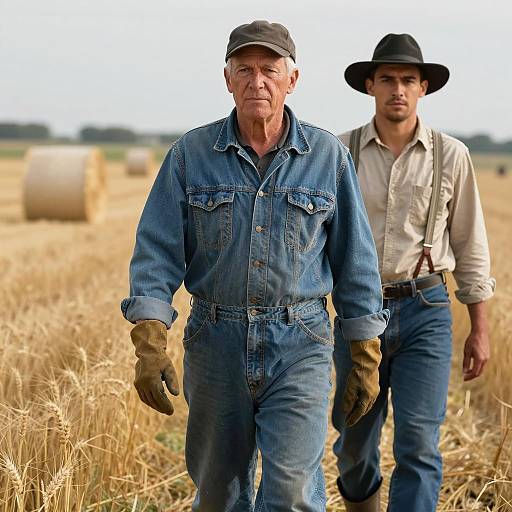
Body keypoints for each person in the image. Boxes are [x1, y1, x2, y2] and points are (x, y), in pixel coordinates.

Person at [121, 19, 388, 512]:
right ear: (227, 79)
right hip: (214, 339)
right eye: (244, 69)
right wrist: (150, 340)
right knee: (219, 494)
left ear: (293, 78)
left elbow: (356, 262)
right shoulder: (190, 155)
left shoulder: (327, 157)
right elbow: (156, 253)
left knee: (290, 493)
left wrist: (365, 352)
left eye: (270, 69)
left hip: (300, 342)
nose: (257, 81)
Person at [333, 33, 496, 512]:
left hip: (427, 310)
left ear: (423, 87)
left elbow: (471, 244)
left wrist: (480, 329)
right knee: (354, 446)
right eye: (387, 79)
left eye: (408, 80)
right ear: (371, 86)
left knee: (419, 446)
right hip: (359, 314)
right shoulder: (339, 154)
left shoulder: (453, 155)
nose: (397, 90)